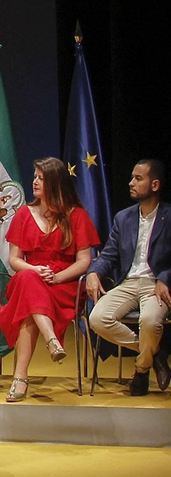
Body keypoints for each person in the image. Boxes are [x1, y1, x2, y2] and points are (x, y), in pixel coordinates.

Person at [0, 157, 100, 401]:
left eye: (41, 178)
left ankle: (20, 378)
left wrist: (56, 277)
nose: (34, 182)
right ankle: (52, 339)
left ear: (56, 182)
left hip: (64, 285)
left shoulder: (76, 216)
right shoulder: (24, 214)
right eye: (35, 176)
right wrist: (35, 270)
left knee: (28, 302)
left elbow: (84, 261)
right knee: (26, 280)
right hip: (31, 277)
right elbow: (14, 260)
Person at [85, 158, 170, 396]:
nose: (131, 182)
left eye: (138, 178)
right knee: (98, 318)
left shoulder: (169, 216)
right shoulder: (124, 218)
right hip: (129, 283)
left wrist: (164, 278)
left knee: (150, 321)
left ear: (155, 185)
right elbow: (109, 255)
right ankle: (155, 353)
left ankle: (141, 371)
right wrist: (93, 272)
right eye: (132, 177)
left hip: (156, 285)